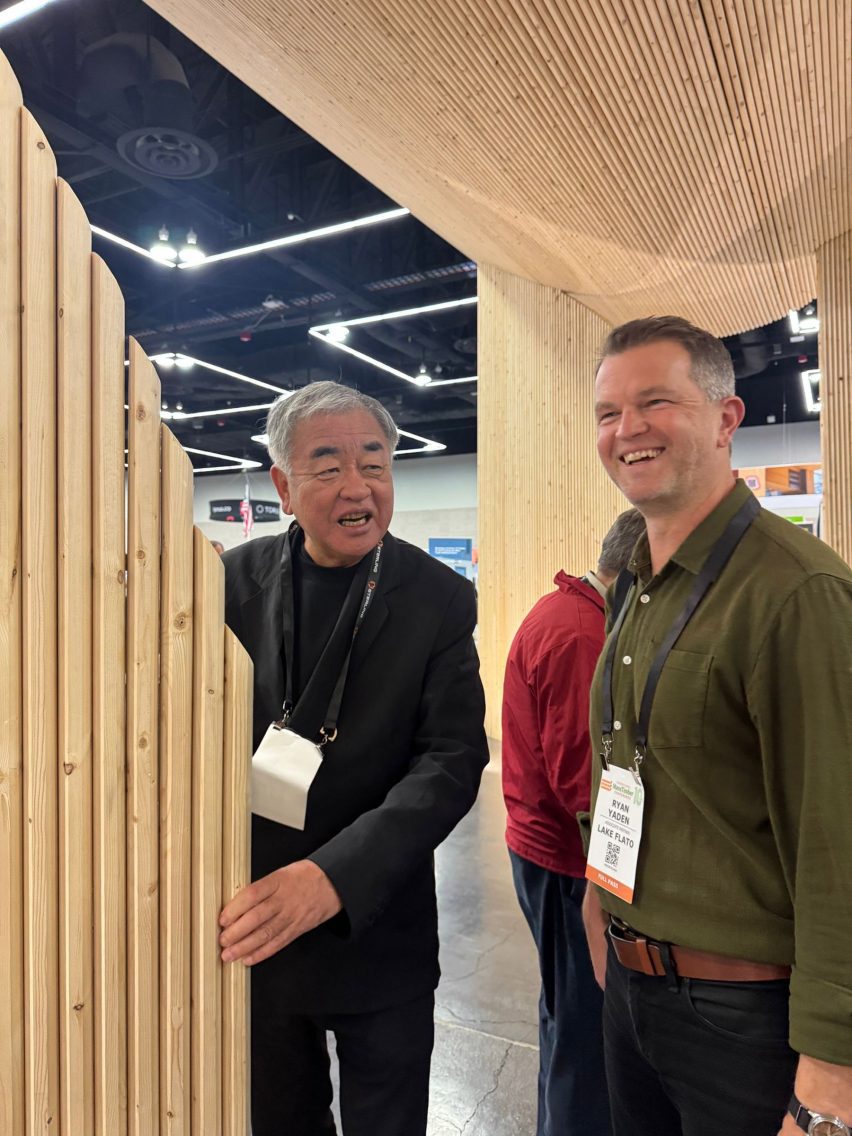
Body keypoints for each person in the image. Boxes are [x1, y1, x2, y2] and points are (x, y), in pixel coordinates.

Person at [579, 315, 852, 1136]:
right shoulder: (635, 585)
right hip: (632, 990)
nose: (627, 429)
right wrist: (600, 901)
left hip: (745, 1017)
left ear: (727, 419)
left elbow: (836, 840)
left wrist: (830, 1076)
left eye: (655, 401)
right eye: (607, 412)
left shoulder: (796, 591)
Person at [218, 381, 489, 1136]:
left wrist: (335, 878)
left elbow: (452, 760)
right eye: (327, 464)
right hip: (258, 924)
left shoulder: (437, 598)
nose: (357, 486)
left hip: (379, 927)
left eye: (374, 462)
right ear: (282, 485)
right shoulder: (228, 586)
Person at [502, 506, 644, 1136]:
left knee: (565, 1018)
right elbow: (580, 777)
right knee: (584, 1036)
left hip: (546, 851)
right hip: (565, 862)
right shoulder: (583, 634)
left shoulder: (567, 612)